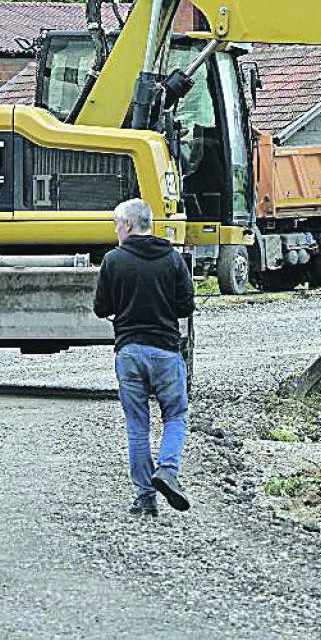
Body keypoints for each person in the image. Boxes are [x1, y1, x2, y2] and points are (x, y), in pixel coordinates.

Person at [93, 198, 195, 517]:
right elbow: (186, 306)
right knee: (175, 416)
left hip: (129, 351)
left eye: (116, 224)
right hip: (165, 351)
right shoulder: (172, 259)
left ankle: (146, 497)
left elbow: (101, 308)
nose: (115, 230)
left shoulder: (113, 260)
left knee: (138, 424)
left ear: (127, 225)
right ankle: (167, 469)